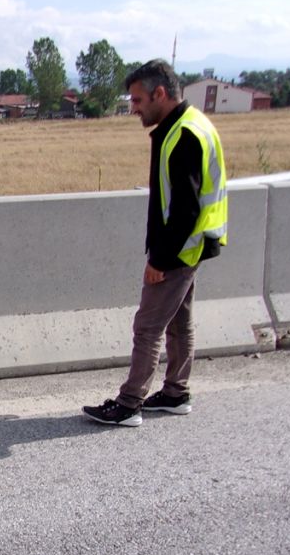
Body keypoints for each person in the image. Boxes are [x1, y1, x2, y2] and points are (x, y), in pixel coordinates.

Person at [83, 59, 227, 427]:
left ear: (159, 94)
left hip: (179, 248)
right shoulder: (190, 124)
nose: (133, 108)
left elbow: (184, 210)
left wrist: (160, 260)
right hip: (195, 245)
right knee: (179, 321)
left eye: (137, 99)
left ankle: (130, 403)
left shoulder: (183, 136)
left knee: (147, 327)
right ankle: (176, 392)